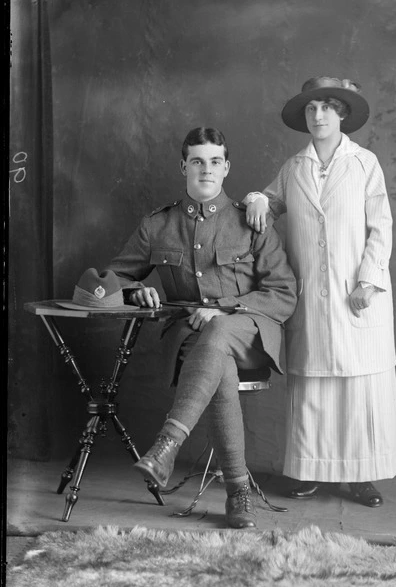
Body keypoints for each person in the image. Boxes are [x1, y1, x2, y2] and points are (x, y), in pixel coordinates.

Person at [104, 126, 297, 528]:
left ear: (226, 168)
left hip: (250, 332)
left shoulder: (251, 221)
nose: (205, 170)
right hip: (192, 339)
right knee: (217, 359)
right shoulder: (158, 225)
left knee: (219, 332)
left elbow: (284, 293)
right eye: (197, 161)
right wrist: (136, 290)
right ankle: (238, 491)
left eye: (214, 162)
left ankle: (167, 445)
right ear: (184, 167)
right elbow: (113, 279)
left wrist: (225, 309)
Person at [243, 76, 396, 507]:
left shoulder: (365, 163)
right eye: (312, 109)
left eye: (327, 108)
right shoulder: (294, 168)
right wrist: (257, 196)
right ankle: (309, 472)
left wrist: (368, 280)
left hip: (356, 296)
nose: (318, 116)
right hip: (311, 297)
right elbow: (270, 203)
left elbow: (381, 226)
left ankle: (361, 477)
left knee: (358, 389)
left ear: (343, 114)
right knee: (314, 389)